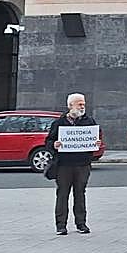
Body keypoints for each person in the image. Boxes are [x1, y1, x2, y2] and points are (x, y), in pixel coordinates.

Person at [45, 92, 96, 235]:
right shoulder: (59, 123)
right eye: (79, 104)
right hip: (64, 165)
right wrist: (54, 145)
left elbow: (95, 139)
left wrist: (96, 143)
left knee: (80, 194)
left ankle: (81, 223)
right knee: (62, 194)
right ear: (70, 106)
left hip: (83, 164)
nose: (82, 106)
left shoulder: (89, 121)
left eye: (83, 104)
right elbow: (48, 141)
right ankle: (61, 225)